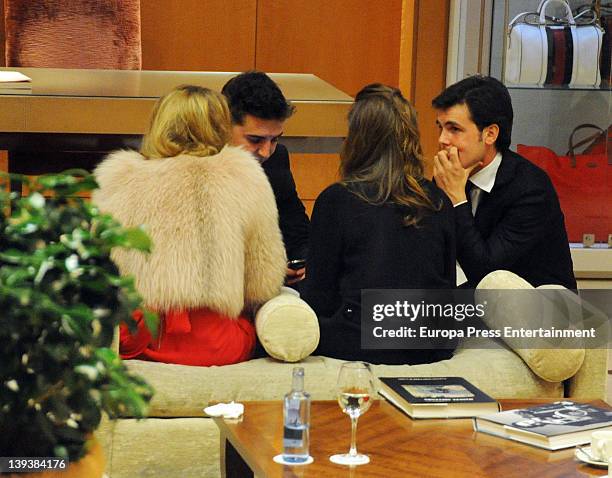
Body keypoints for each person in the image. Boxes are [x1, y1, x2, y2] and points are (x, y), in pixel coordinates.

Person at [92, 85, 287, 366]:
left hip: (139, 339)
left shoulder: (118, 179)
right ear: (220, 125)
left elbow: (99, 276)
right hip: (216, 344)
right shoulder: (244, 177)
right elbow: (263, 284)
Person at [302, 84, 456, 365]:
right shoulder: (437, 199)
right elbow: (444, 284)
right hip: (429, 348)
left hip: (357, 344)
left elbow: (318, 296)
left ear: (357, 139)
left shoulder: (337, 199)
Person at [432, 75, 576, 290]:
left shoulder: (530, 189)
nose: (442, 139)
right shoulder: (450, 176)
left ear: (490, 134)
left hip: (540, 311)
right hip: (475, 305)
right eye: (440, 127)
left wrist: (457, 200)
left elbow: (486, 274)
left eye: (454, 129)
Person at [222, 71, 310, 286]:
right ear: (222, 125)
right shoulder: (196, 167)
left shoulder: (276, 159)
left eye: (275, 139)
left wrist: (304, 262)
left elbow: (298, 229)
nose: (266, 152)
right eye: (255, 140)